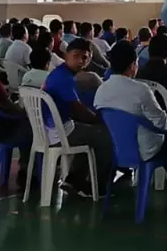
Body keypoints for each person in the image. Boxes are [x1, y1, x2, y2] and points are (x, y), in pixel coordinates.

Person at [95, 43, 167, 196]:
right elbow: (161, 122)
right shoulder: (141, 89)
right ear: (133, 65)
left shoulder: (101, 89)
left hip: (116, 149)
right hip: (144, 150)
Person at [35, 39, 115, 197]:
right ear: (66, 56)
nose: (80, 61)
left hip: (50, 130)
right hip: (59, 133)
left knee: (87, 133)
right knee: (105, 136)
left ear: (90, 58)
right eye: (76, 56)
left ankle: (74, 179)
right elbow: (78, 110)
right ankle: (97, 186)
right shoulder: (64, 78)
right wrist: (99, 119)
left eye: (85, 57)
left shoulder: (59, 73)